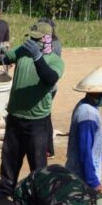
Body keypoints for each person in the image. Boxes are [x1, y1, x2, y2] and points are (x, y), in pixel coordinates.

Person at [0, 21, 65, 199]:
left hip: (37, 121)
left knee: (38, 162)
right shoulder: (23, 51)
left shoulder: (55, 61)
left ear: (48, 39)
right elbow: (4, 58)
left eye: (37, 38)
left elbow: (49, 78)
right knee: (10, 157)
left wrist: (38, 57)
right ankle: (6, 189)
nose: (32, 41)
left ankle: (37, 196)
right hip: (15, 116)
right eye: (31, 37)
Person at [65, 67, 102, 191]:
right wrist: (93, 182)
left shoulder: (86, 105)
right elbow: (85, 150)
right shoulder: (88, 115)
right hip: (82, 179)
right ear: (98, 93)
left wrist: (101, 156)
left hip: (81, 174)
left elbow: (90, 143)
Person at [37, 17, 63, 158]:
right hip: (47, 86)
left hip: (47, 87)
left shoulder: (53, 45)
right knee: (44, 116)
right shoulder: (52, 43)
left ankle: (48, 149)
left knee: (44, 117)